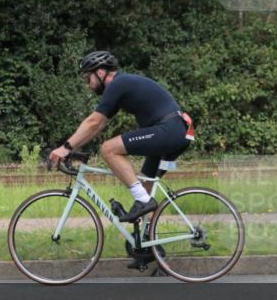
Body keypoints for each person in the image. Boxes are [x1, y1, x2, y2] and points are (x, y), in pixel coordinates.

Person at [48, 50, 194, 224]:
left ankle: (144, 201)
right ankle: (148, 244)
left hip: (169, 129)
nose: (87, 84)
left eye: (88, 78)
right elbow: (98, 126)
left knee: (108, 149)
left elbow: (93, 121)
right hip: (177, 130)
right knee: (145, 186)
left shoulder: (118, 84)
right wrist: (73, 148)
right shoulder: (122, 85)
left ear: (100, 72)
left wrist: (65, 148)